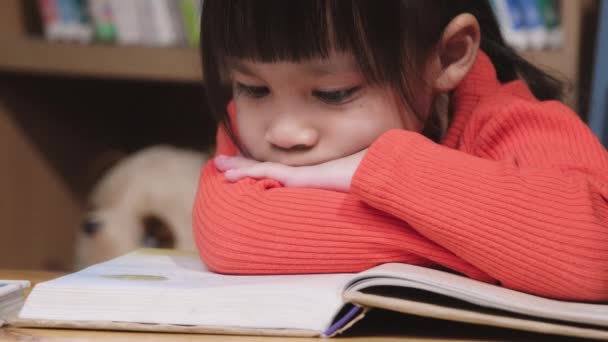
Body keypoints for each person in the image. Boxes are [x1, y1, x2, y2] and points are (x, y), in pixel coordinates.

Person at [193, 0, 608, 301]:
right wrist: (496, 249)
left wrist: (381, 166)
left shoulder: (515, 123)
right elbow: (231, 230)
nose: (284, 132)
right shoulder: (247, 121)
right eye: (252, 87)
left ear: (449, 55)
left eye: (334, 93)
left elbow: (597, 252)